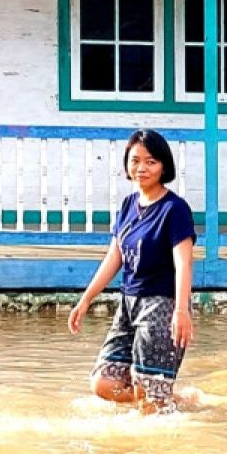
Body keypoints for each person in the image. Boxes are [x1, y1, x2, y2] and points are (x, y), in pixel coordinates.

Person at [68, 129, 197, 413]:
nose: (142, 168)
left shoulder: (174, 209)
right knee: (103, 382)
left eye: (151, 161)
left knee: (150, 392)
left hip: (162, 305)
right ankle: (171, 401)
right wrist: (86, 299)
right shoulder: (128, 205)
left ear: (164, 166)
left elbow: (184, 262)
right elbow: (114, 256)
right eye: (135, 160)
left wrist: (181, 310)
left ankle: (160, 406)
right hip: (128, 304)